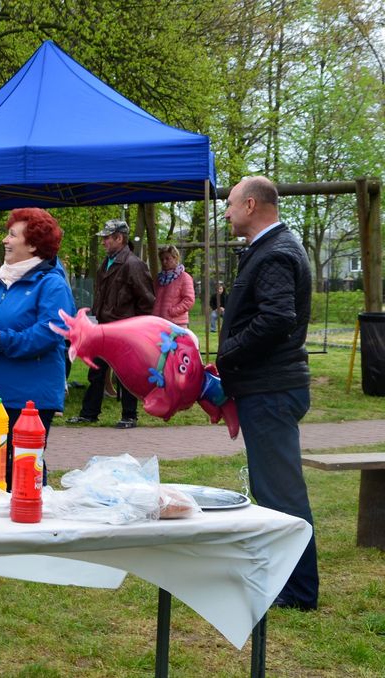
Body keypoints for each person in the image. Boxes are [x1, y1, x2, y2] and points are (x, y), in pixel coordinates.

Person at [217, 175, 318, 611]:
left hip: (272, 388)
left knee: (281, 493)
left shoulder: (276, 252)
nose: (226, 212)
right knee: (272, 488)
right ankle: (286, 581)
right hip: (268, 386)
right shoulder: (268, 249)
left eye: (230, 204)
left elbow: (277, 318)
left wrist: (228, 354)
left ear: (251, 205)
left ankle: (298, 591)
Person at [0, 208, 75, 488]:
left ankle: (31, 513)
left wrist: (2, 340)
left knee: (22, 468)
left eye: (12, 235)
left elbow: (51, 332)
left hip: (30, 397)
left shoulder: (52, 284)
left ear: (33, 245)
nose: (5, 240)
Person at [67, 219, 154, 429]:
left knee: (125, 373)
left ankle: (129, 415)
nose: (104, 241)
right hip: (104, 327)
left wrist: (136, 328)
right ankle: (89, 413)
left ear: (119, 238)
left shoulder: (133, 264)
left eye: (107, 238)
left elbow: (147, 301)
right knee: (96, 370)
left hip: (125, 331)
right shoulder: (106, 263)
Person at [152, 244, 195, 327]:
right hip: (158, 321)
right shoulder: (158, 279)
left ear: (175, 258)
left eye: (167, 259)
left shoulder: (184, 277)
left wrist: (173, 311)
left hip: (176, 323)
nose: (164, 262)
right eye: (162, 259)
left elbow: (189, 300)